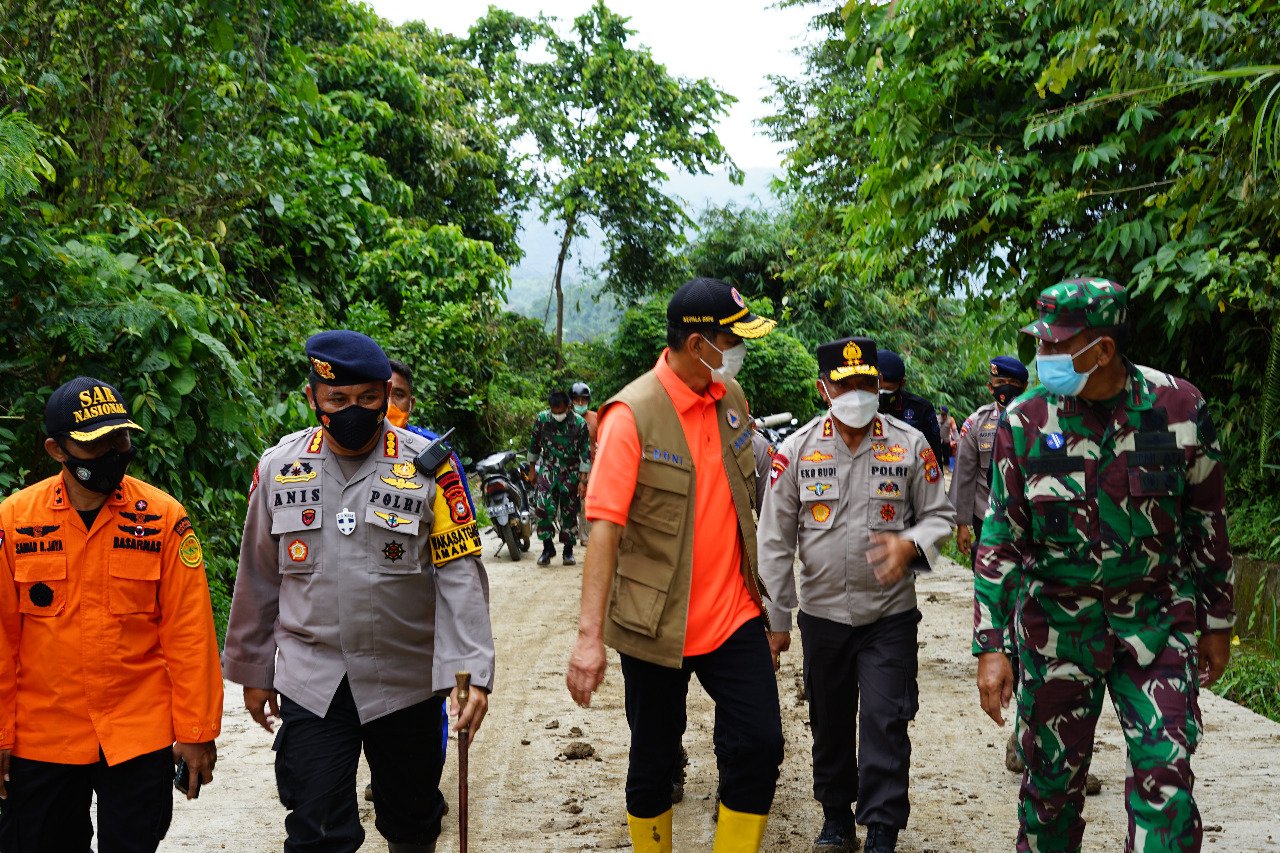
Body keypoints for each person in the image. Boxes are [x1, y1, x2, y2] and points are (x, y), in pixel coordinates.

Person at [974, 278, 1233, 853]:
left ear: (1103, 350)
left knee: (1167, 788)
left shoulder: (1180, 410)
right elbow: (1001, 539)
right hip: (1055, 631)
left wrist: (1218, 623)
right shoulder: (1026, 421)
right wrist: (991, 644)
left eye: (1058, 346)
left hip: (1156, 622)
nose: (1044, 357)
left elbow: (1207, 522)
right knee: (1050, 796)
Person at [223, 331, 495, 853]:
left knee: (413, 823)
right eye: (338, 401)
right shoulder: (280, 468)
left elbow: (460, 575)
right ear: (313, 399)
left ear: (387, 394)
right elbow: (258, 576)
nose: (355, 411)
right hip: (312, 679)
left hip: (406, 679)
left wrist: (472, 672)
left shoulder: (430, 466)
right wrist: (254, 673)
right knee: (317, 829)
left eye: (370, 399)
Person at [566, 277, 783, 852]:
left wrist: (767, 609)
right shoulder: (631, 416)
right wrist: (589, 639)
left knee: (761, 743)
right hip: (655, 620)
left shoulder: (729, 399)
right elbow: (604, 531)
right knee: (655, 759)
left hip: (732, 614)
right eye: (731, 339)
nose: (739, 351)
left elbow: (745, 507)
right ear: (697, 344)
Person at [0, 376, 222, 853]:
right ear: (57, 451)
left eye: (119, 438)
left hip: (137, 733)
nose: (113, 452)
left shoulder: (163, 519)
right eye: (95, 444)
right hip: (43, 736)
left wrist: (197, 731)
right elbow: (1, 638)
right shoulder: (14, 521)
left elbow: (190, 633)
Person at [758, 338, 954, 853]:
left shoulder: (911, 445)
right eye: (846, 385)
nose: (858, 394)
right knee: (830, 719)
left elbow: (941, 517)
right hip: (822, 615)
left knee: (887, 718)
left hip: (889, 615)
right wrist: (777, 618)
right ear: (824, 388)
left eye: (867, 383)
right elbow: (774, 540)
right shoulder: (796, 450)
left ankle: (882, 828)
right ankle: (836, 817)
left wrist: (908, 545)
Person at [950, 356, 1028, 567]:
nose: (1007, 389)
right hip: (985, 515)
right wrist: (962, 524)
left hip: (1026, 516)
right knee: (989, 573)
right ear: (990, 387)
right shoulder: (976, 423)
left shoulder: (1037, 420)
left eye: (1013, 384)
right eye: (1000, 383)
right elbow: (964, 475)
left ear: (1025, 387)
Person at [528, 389, 590, 566]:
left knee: (569, 511)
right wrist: (532, 470)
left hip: (571, 471)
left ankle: (568, 551)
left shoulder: (580, 424)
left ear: (568, 407)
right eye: (554, 412)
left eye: (561, 411)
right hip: (548, 468)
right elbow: (533, 445)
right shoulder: (542, 419)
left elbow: (585, 454)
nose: (557, 415)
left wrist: (582, 481)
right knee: (542, 506)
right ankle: (548, 548)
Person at [875, 349, 945, 461]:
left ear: (902, 384)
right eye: (877, 388)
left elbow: (933, 454)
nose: (882, 393)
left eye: (889, 388)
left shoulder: (921, 409)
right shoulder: (860, 406)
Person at [570, 381, 598, 544]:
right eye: (577, 400)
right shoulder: (567, 419)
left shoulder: (596, 418)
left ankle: (586, 535)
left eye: (584, 400)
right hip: (571, 465)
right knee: (573, 500)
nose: (580, 403)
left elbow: (601, 441)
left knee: (587, 499)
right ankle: (571, 532)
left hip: (591, 465)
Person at [937, 405, 959, 472]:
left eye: (943, 412)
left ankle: (947, 468)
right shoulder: (937, 418)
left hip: (946, 441)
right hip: (938, 440)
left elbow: (954, 430)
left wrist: (957, 440)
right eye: (941, 411)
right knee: (937, 454)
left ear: (946, 413)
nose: (942, 413)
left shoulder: (951, 420)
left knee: (946, 456)